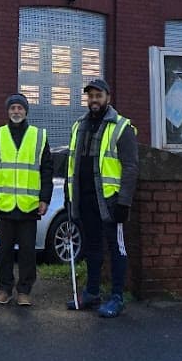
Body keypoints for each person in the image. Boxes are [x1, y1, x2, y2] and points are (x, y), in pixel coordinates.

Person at [64, 79, 139, 318]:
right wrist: (69, 198)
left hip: (110, 200)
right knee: (92, 247)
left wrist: (124, 202)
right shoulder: (79, 126)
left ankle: (117, 297)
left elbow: (130, 167)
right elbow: (72, 164)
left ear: (108, 97)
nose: (94, 100)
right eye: (90, 96)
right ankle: (92, 292)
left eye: (98, 95)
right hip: (85, 198)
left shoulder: (121, 126)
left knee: (116, 249)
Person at [0, 93, 53, 306]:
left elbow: (47, 170)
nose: (16, 111)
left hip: (29, 204)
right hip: (4, 204)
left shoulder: (39, 136)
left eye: (20, 108)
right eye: (12, 108)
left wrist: (45, 199)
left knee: (27, 252)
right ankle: (4, 288)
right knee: (4, 251)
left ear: (26, 111)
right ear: (8, 111)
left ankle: (24, 290)